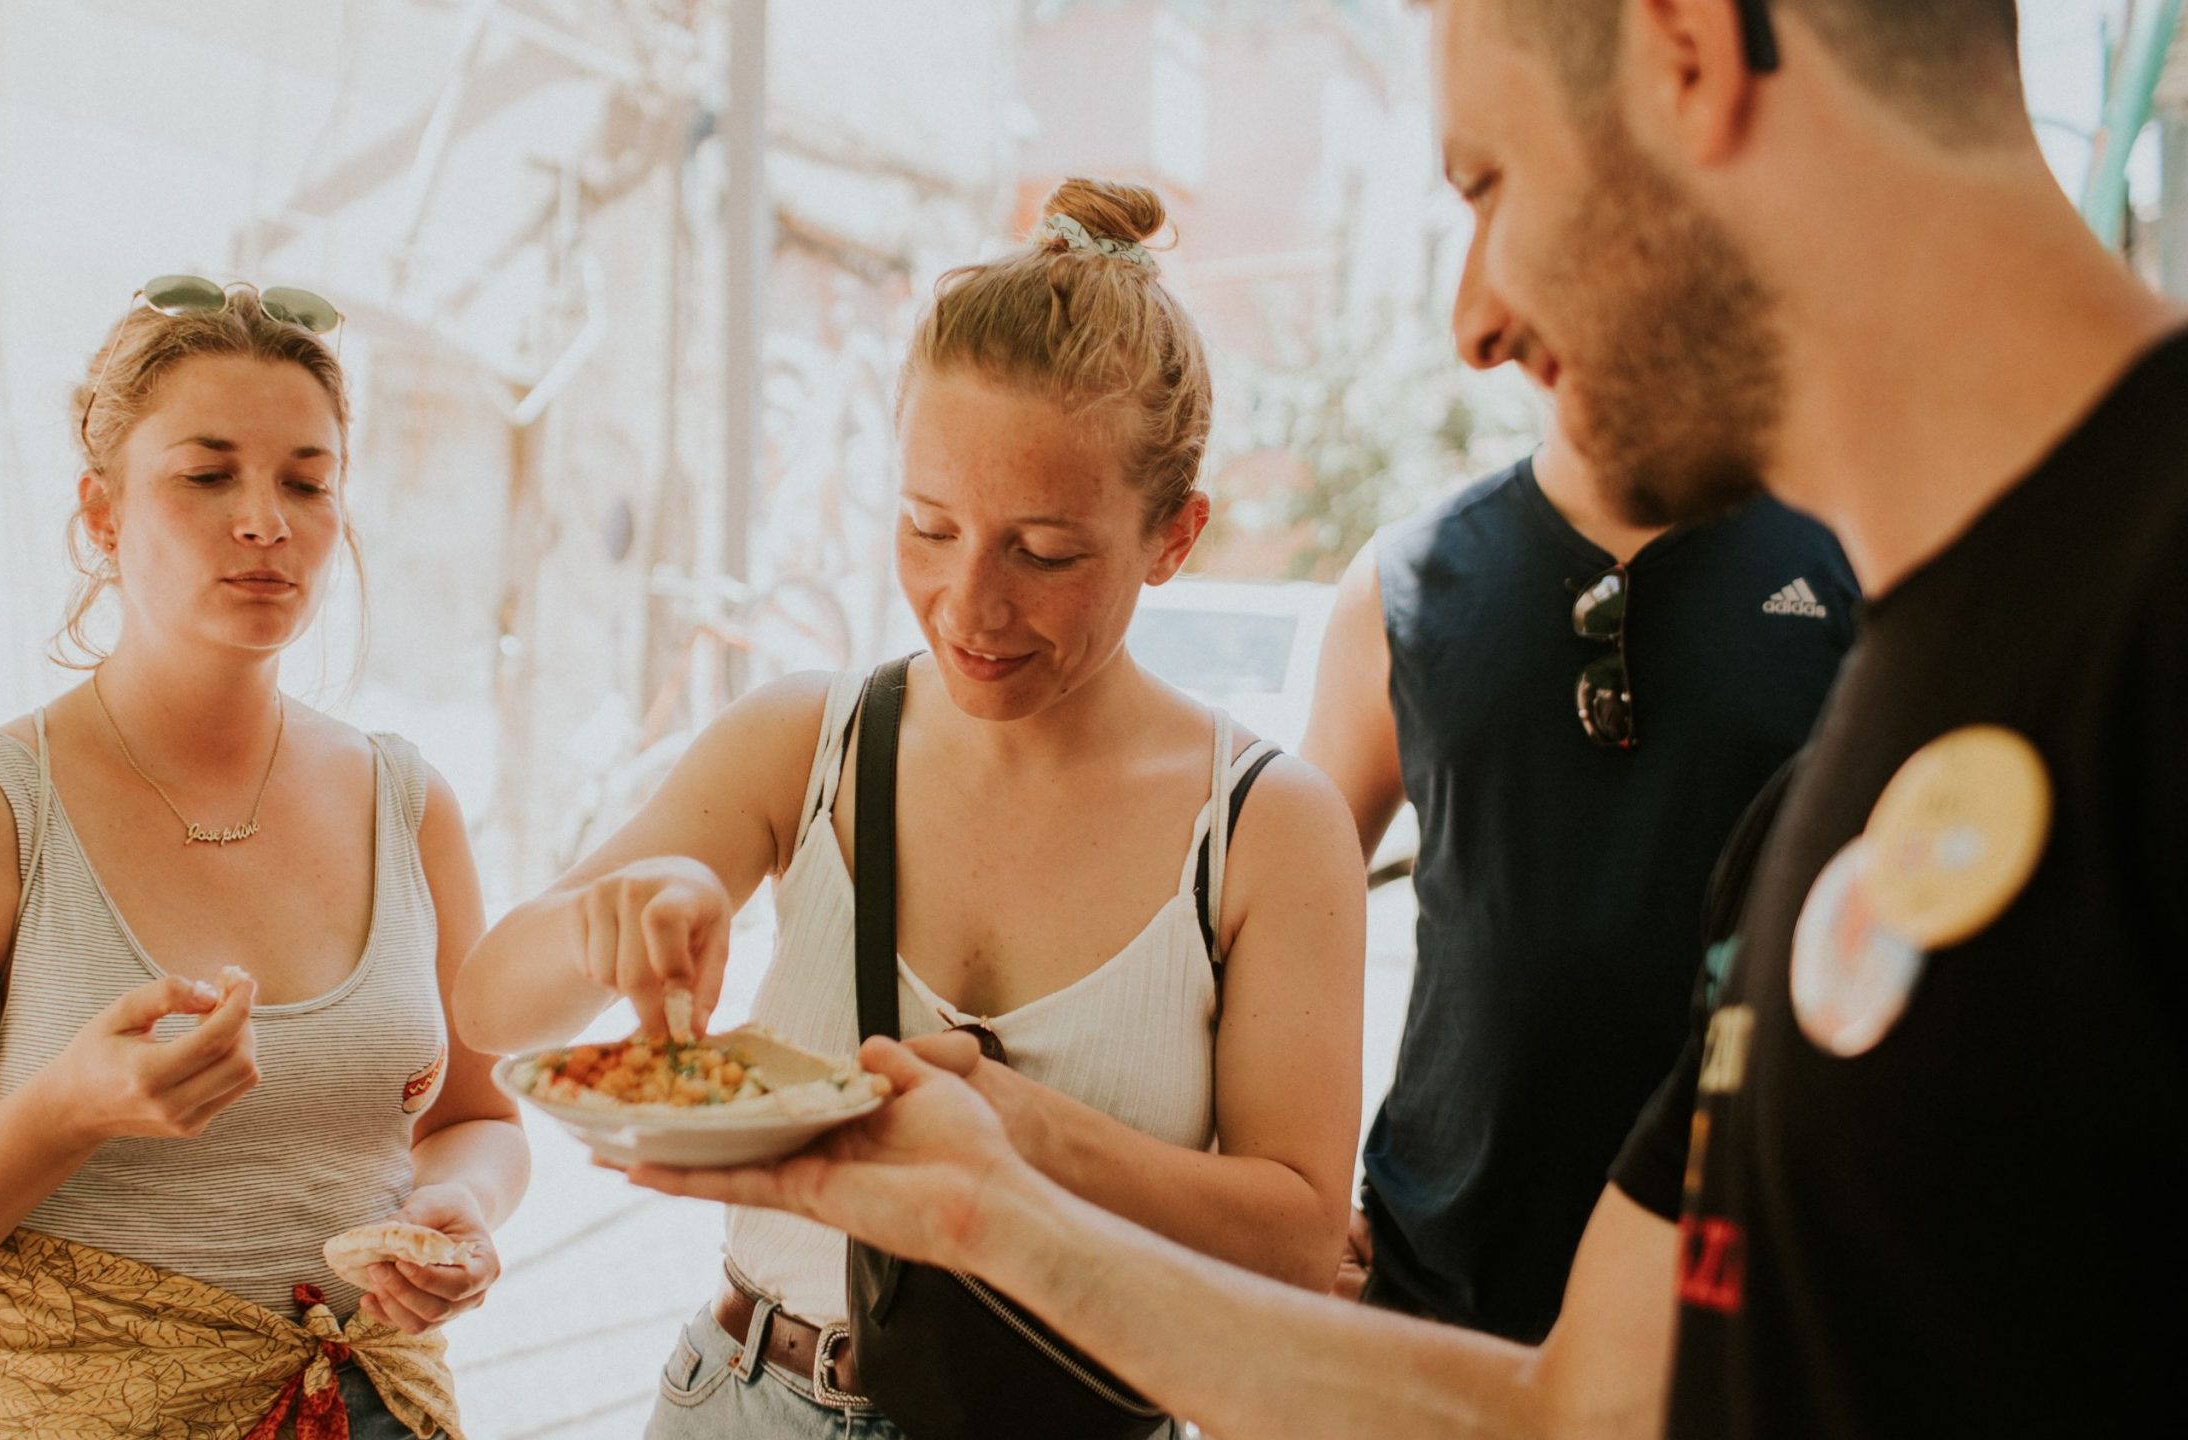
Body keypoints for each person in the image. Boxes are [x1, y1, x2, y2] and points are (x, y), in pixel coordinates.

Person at [628, 1, 2188, 1435]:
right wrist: (986, 1211)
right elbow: (1588, 1408)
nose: (1476, 322)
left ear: (1691, 55)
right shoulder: (1865, 748)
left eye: (1488, 182)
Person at [453, 179, 1367, 1439]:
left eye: (1044, 552)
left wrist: (1020, 1128)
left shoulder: (1264, 826)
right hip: (750, 1400)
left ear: (1176, 536)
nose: (967, 607)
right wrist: (610, 921)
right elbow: (496, 1005)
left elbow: (1297, 1243)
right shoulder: (808, 740)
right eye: (928, 527)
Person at [0, 280, 530, 1438]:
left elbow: (480, 1119)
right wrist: (60, 1115)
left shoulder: (409, 803)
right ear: (103, 514)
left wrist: (459, 1212)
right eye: (207, 473)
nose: (266, 520)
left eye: (308, 481)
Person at [1304, 408, 1855, 1340]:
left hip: (1748, 1292)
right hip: (1440, 1287)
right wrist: (1304, 1207)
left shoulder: (1849, 563)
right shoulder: (1405, 580)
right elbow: (1292, 917)